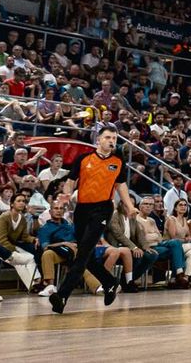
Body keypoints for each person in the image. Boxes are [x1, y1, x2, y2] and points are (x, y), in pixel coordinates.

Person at [49, 123, 137, 314]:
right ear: (98, 139)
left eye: (114, 138)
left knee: (83, 253)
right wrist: (66, 195)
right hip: (82, 209)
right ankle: (110, 282)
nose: (111, 141)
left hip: (103, 209)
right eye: (107, 137)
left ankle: (62, 296)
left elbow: (121, 186)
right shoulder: (83, 158)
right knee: (85, 255)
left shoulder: (117, 162)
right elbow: (71, 182)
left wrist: (129, 206)